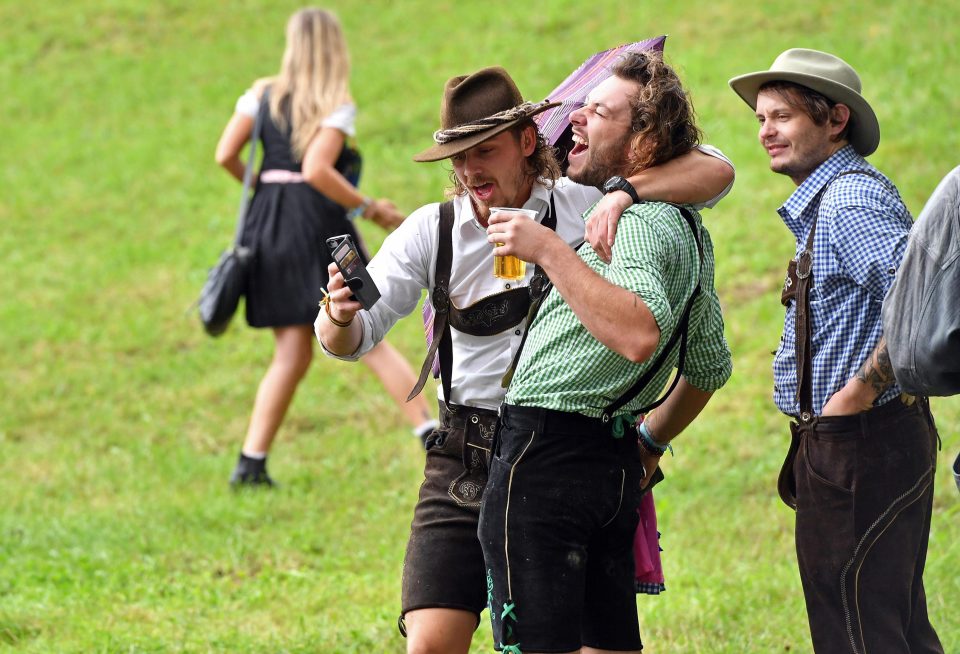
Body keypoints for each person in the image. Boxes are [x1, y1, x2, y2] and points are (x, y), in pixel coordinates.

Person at [316, 65, 734, 653]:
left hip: (559, 451)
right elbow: (355, 337)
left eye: (484, 151)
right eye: (457, 159)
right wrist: (338, 313)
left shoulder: (586, 199)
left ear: (528, 142)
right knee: (431, 644)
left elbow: (717, 171)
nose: (469, 171)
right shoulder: (430, 232)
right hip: (465, 456)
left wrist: (625, 192)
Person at [477, 51, 732, 654]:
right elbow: (708, 367)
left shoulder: (638, 224)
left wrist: (548, 250)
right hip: (610, 464)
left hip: (542, 463)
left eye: (597, 112)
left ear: (643, 137)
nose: (576, 123)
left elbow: (639, 333)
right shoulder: (685, 224)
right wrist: (648, 443)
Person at [728, 48, 943, 653]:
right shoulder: (835, 200)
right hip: (858, 442)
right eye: (761, 119)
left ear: (835, 120)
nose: (766, 132)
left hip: (864, 441)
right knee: (886, 626)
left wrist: (858, 391)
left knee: (856, 633)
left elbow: (927, 307)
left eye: (784, 117)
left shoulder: (848, 203)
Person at [213, 7, 435, 488]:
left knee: (291, 351)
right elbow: (316, 168)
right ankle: (428, 430)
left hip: (267, 226)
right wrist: (370, 208)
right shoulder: (335, 102)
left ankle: (251, 462)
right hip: (325, 229)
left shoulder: (260, 94)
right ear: (335, 48)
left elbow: (224, 154)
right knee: (368, 329)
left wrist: (267, 190)